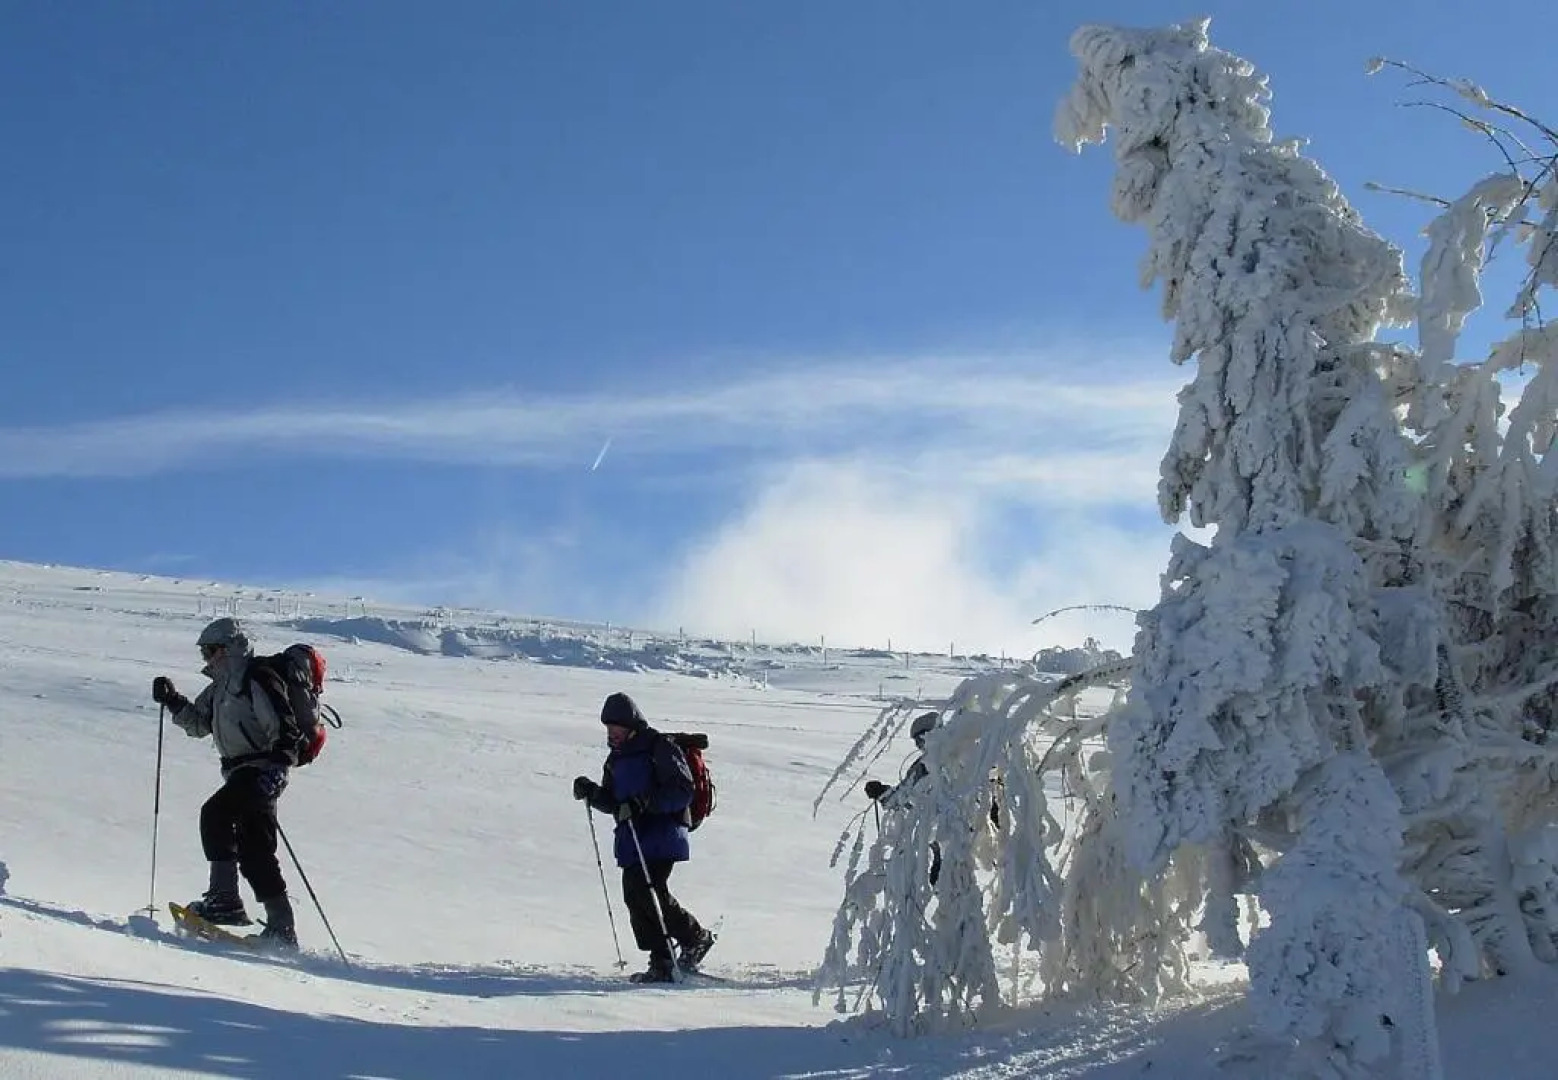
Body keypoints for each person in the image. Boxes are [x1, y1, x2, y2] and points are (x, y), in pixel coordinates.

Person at [151, 617, 303, 950]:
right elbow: (199, 725)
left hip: (261, 768)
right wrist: (173, 700)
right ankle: (281, 927)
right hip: (240, 772)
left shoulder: (257, 676)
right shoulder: (219, 687)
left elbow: (282, 723)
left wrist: (278, 766)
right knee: (255, 850)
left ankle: (225, 901)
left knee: (215, 814)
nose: (206, 658)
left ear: (229, 648)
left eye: (210, 650)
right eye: (204, 652)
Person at [572, 691, 716, 983]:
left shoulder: (658, 746)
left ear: (631, 724)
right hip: (633, 838)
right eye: (608, 728)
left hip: (663, 833)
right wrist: (591, 792)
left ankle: (690, 940)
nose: (611, 733)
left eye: (616, 727)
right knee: (636, 894)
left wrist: (644, 803)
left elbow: (681, 790)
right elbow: (614, 802)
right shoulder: (615, 759)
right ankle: (665, 956)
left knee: (646, 889)